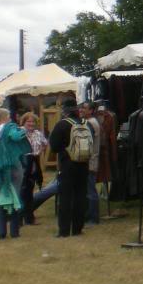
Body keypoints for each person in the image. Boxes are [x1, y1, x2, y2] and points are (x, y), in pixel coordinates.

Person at [0, 108, 30, 239]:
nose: (11, 118)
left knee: (2, 198)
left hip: (0, 167)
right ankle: (14, 232)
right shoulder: (11, 127)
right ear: (5, 117)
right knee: (15, 196)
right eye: (9, 115)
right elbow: (17, 137)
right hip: (14, 165)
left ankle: (2, 232)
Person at [48, 99, 89, 237]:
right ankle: (78, 229)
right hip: (83, 164)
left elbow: (53, 146)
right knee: (80, 196)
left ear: (65, 111)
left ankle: (64, 230)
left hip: (67, 164)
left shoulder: (62, 124)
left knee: (65, 197)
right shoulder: (85, 123)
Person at [19, 112, 47, 225]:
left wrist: (39, 152)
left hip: (34, 162)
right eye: (28, 121)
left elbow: (45, 143)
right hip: (22, 163)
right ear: (24, 122)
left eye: (33, 121)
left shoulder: (38, 133)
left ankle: (29, 218)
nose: (31, 123)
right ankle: (18, 218)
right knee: (21, 190)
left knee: (29, 190)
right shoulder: (19, 132)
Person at [79, 102, 102, 224]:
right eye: (81, 107)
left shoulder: (91, 123)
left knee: (90, 191)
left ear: (91, 110)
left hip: (89, 161)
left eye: (84, 108)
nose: (81, 110)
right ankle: (89, 216)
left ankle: (93, 218)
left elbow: (87, 143)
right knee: (88, 190)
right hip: (90, 160)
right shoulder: (91, 122)